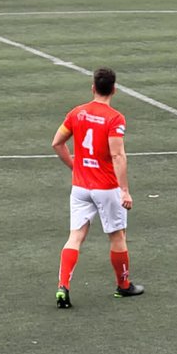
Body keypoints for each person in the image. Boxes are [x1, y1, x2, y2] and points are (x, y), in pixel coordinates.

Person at [51, 67, 143, 308]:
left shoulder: (77, 113)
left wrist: (75, 167)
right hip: (106, 187)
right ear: (114, 89)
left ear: (93, 87)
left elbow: (57, 143)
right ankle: (123, 286)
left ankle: (63, 286)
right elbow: (118, 155)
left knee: (75, 236)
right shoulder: (115, 118)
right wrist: (124, 190)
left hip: (80, 187)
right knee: (117, 235)